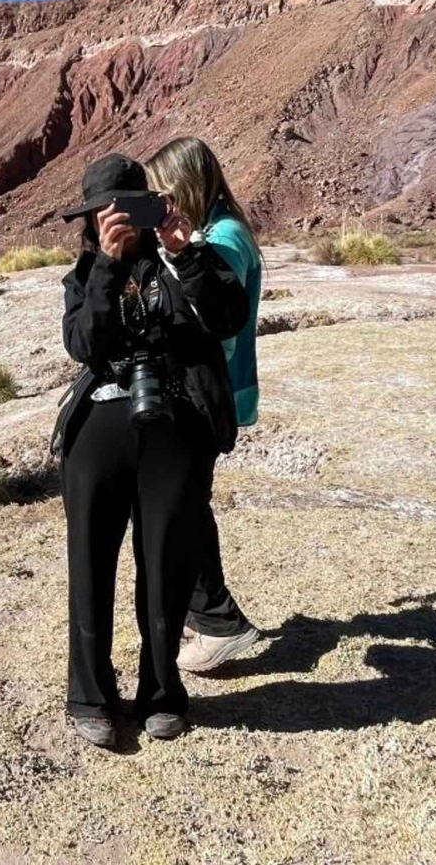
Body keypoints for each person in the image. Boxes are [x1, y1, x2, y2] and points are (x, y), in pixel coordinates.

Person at [51, 153, 250, 748]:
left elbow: (229, 316)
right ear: (91, 219)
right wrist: (108, 269)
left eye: (131, 209)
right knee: (90, 566)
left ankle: (162, 693)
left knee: (166, 565)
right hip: (98, 433)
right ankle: (90, 696)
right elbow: (84, 345)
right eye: (105, 212)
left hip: (176, 429)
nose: (121, 222)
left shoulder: (180, 258)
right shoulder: (84, 275)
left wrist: (185, 253)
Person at [143, 137, 264, 672]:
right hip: (201, 388)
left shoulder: (225, 238)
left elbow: (217, 320)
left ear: (187, 185)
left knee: (184, 509)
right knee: (187, 504)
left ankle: (220, 624)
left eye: (165, 191)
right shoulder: (212, 232)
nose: (161, 203)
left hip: (205, 392)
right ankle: (209, 617)